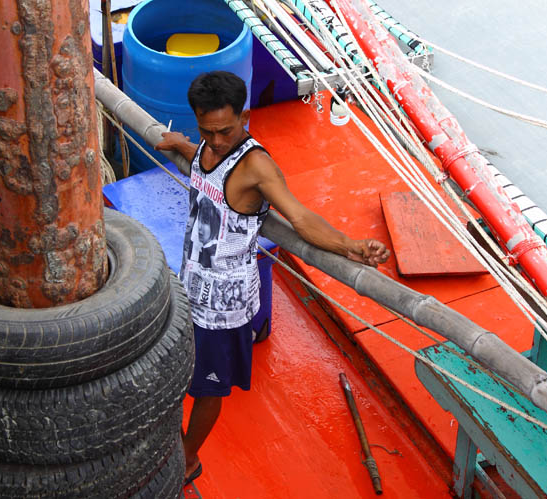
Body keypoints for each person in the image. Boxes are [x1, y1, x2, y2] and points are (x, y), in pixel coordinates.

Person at [155, 71, 390, 486]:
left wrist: (347, 245)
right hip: (190, 283)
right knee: (175, 369)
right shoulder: (208, 148)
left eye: (226, 131)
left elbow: (299, 218)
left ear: (244, 116)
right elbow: (206, 159)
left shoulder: (258, 166)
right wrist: (182, 144)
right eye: (207, 132)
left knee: (208, 387)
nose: (218, 141)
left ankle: (188, 458)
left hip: (222, 306)